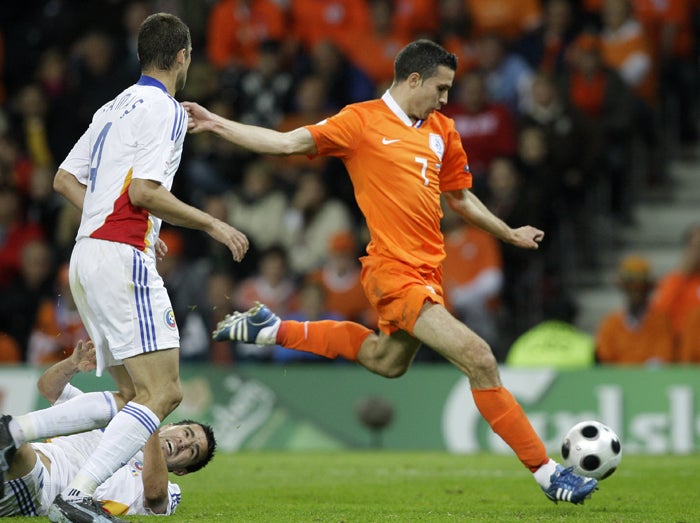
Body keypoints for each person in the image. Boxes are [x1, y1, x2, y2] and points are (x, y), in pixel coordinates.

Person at [184, 38, 598, 504]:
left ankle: (274, 329)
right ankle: (548, 474)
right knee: (479, 357)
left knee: (387, 362)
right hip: (392, 271)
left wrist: (507, 232)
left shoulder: (443, 130)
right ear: (413, 79)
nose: (446, 99)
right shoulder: (359, 122)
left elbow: (460, 197)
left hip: (430, 272)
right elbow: (285, 143)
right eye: (440, 88)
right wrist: (216, 122)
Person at [0, 13, 248, 523]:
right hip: (120, 254)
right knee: (167, 392)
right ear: (184, 56)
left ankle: (19, 436)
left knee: (133, 395)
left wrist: (125, 219)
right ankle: (75, 485)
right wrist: (214, 226)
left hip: (86, 255)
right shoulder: (168, 109)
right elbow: (144, 192)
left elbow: (64, 179)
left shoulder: (112, 106)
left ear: (141, 54)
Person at [0, 340, 216, 517]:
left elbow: (155, 496)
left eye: (192, 451)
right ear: (169, 426)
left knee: (12, 440)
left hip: (38, 487)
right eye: (186, 433)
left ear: (182, 470)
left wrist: (148, 415)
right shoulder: (108, 419)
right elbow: (48, 389)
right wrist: (72, 364)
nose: (184, 442)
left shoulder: (168, 490)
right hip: (30, 460)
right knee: (11, 439)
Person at [595, 255, 676, 365]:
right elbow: (604, 360)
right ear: (623, 288)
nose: (635, 291)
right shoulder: (610, 324)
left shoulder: (662, 321)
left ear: (648, 288)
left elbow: (663, 358)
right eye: (630, 286)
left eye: (640, 286)